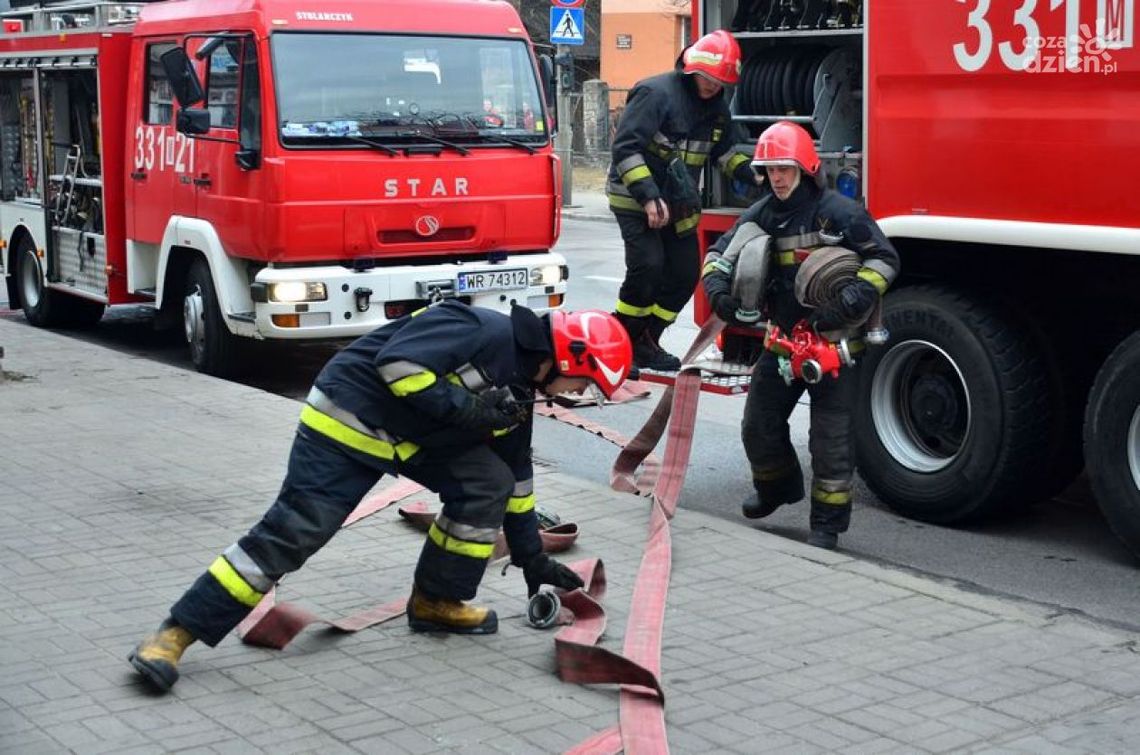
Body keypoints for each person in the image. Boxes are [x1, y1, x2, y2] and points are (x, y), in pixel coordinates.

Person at [128, 301, 633, 692]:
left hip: (414, 437)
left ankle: (436, 600)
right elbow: (399, 366)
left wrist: (531, 556)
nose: (579, 395)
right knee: (296, 531)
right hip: (349, 421)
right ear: (569, 356)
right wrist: (469, 412)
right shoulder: (481, 330)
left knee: (489, 481)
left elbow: (517, 478)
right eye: (585, 384)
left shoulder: (522, 386)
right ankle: (175, 634)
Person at [701, 121, 900, 550]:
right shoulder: (761, 213)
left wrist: (851, 300)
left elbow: (885, 259)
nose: (776, 178)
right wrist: (718, 292)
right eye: (770, 170)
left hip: (834, 347)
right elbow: (718, 255)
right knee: (758, 426)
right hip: (782, 344)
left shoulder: (840, 212)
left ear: (805, 167)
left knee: (830, 442)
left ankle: (827, 525)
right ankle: (777, 489)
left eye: (784, 169)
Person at [606, 29, 759, 372]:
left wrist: (753, 174)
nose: (711, 85)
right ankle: (623, 340)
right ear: (691, 68)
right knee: (648, 266)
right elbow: (625, 149)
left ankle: (648, 340)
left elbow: (724, 153)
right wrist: (649, 197)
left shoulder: (717, 109)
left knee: (686, 273)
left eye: (719, 81)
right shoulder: (655, 93)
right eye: (706, 77)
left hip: (679, 204)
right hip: (635, 197)